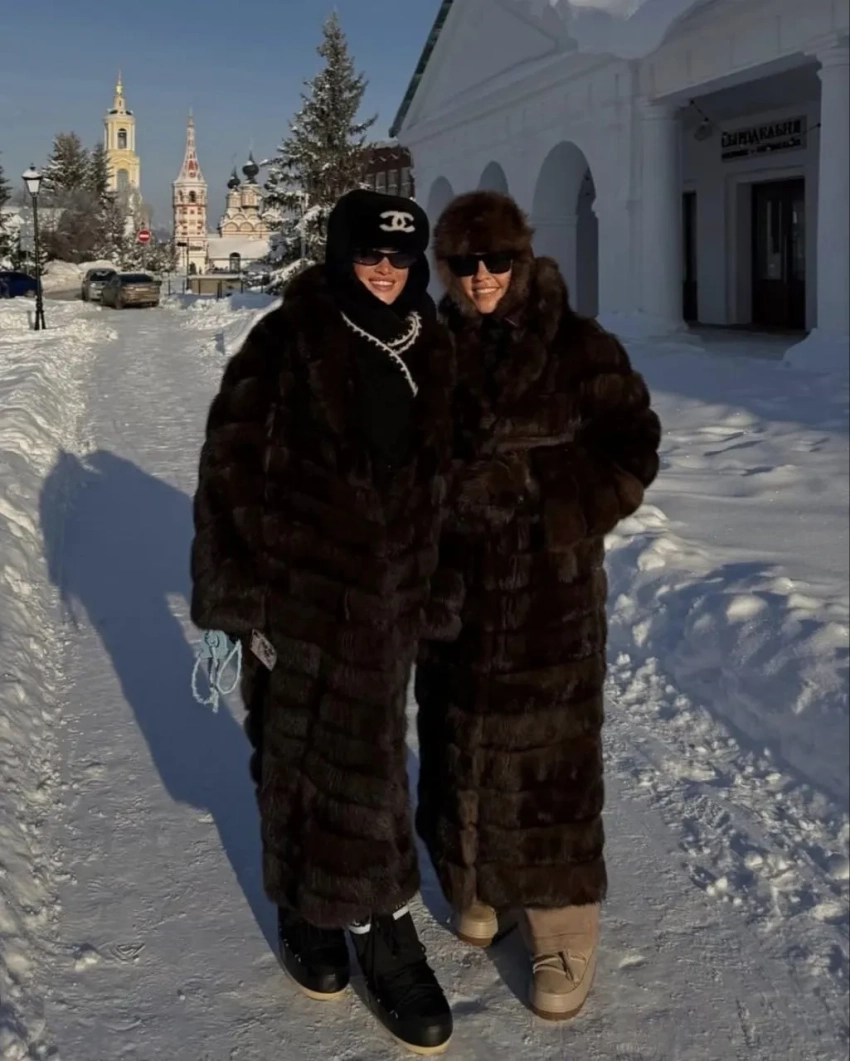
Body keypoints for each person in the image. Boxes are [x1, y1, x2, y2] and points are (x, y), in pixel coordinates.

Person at [190, 189, 456, 1055]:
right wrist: (237, 598)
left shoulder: (432, 343)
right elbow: (228, 469)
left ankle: (317, 900)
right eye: (369, 255)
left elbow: (452, 479)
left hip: (395, 598)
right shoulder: (287, 340)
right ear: (342, 255)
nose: (386, 271)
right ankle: (375, 924)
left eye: (401, 257)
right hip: (299, 594)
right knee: (305, 747)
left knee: (353, 750)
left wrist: (445, 584)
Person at [415, 191, 662, 1022]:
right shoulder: (431, 350)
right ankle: (482, 880)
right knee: (460, 735)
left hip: (547, 597)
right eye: (463, 263)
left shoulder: (578, 345)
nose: (480, 277)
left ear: (522, 259)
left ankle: (563, 922)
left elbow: (632, 447)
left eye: (497, 260)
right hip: (456, 592)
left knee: (550, 759)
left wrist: (538, 499)